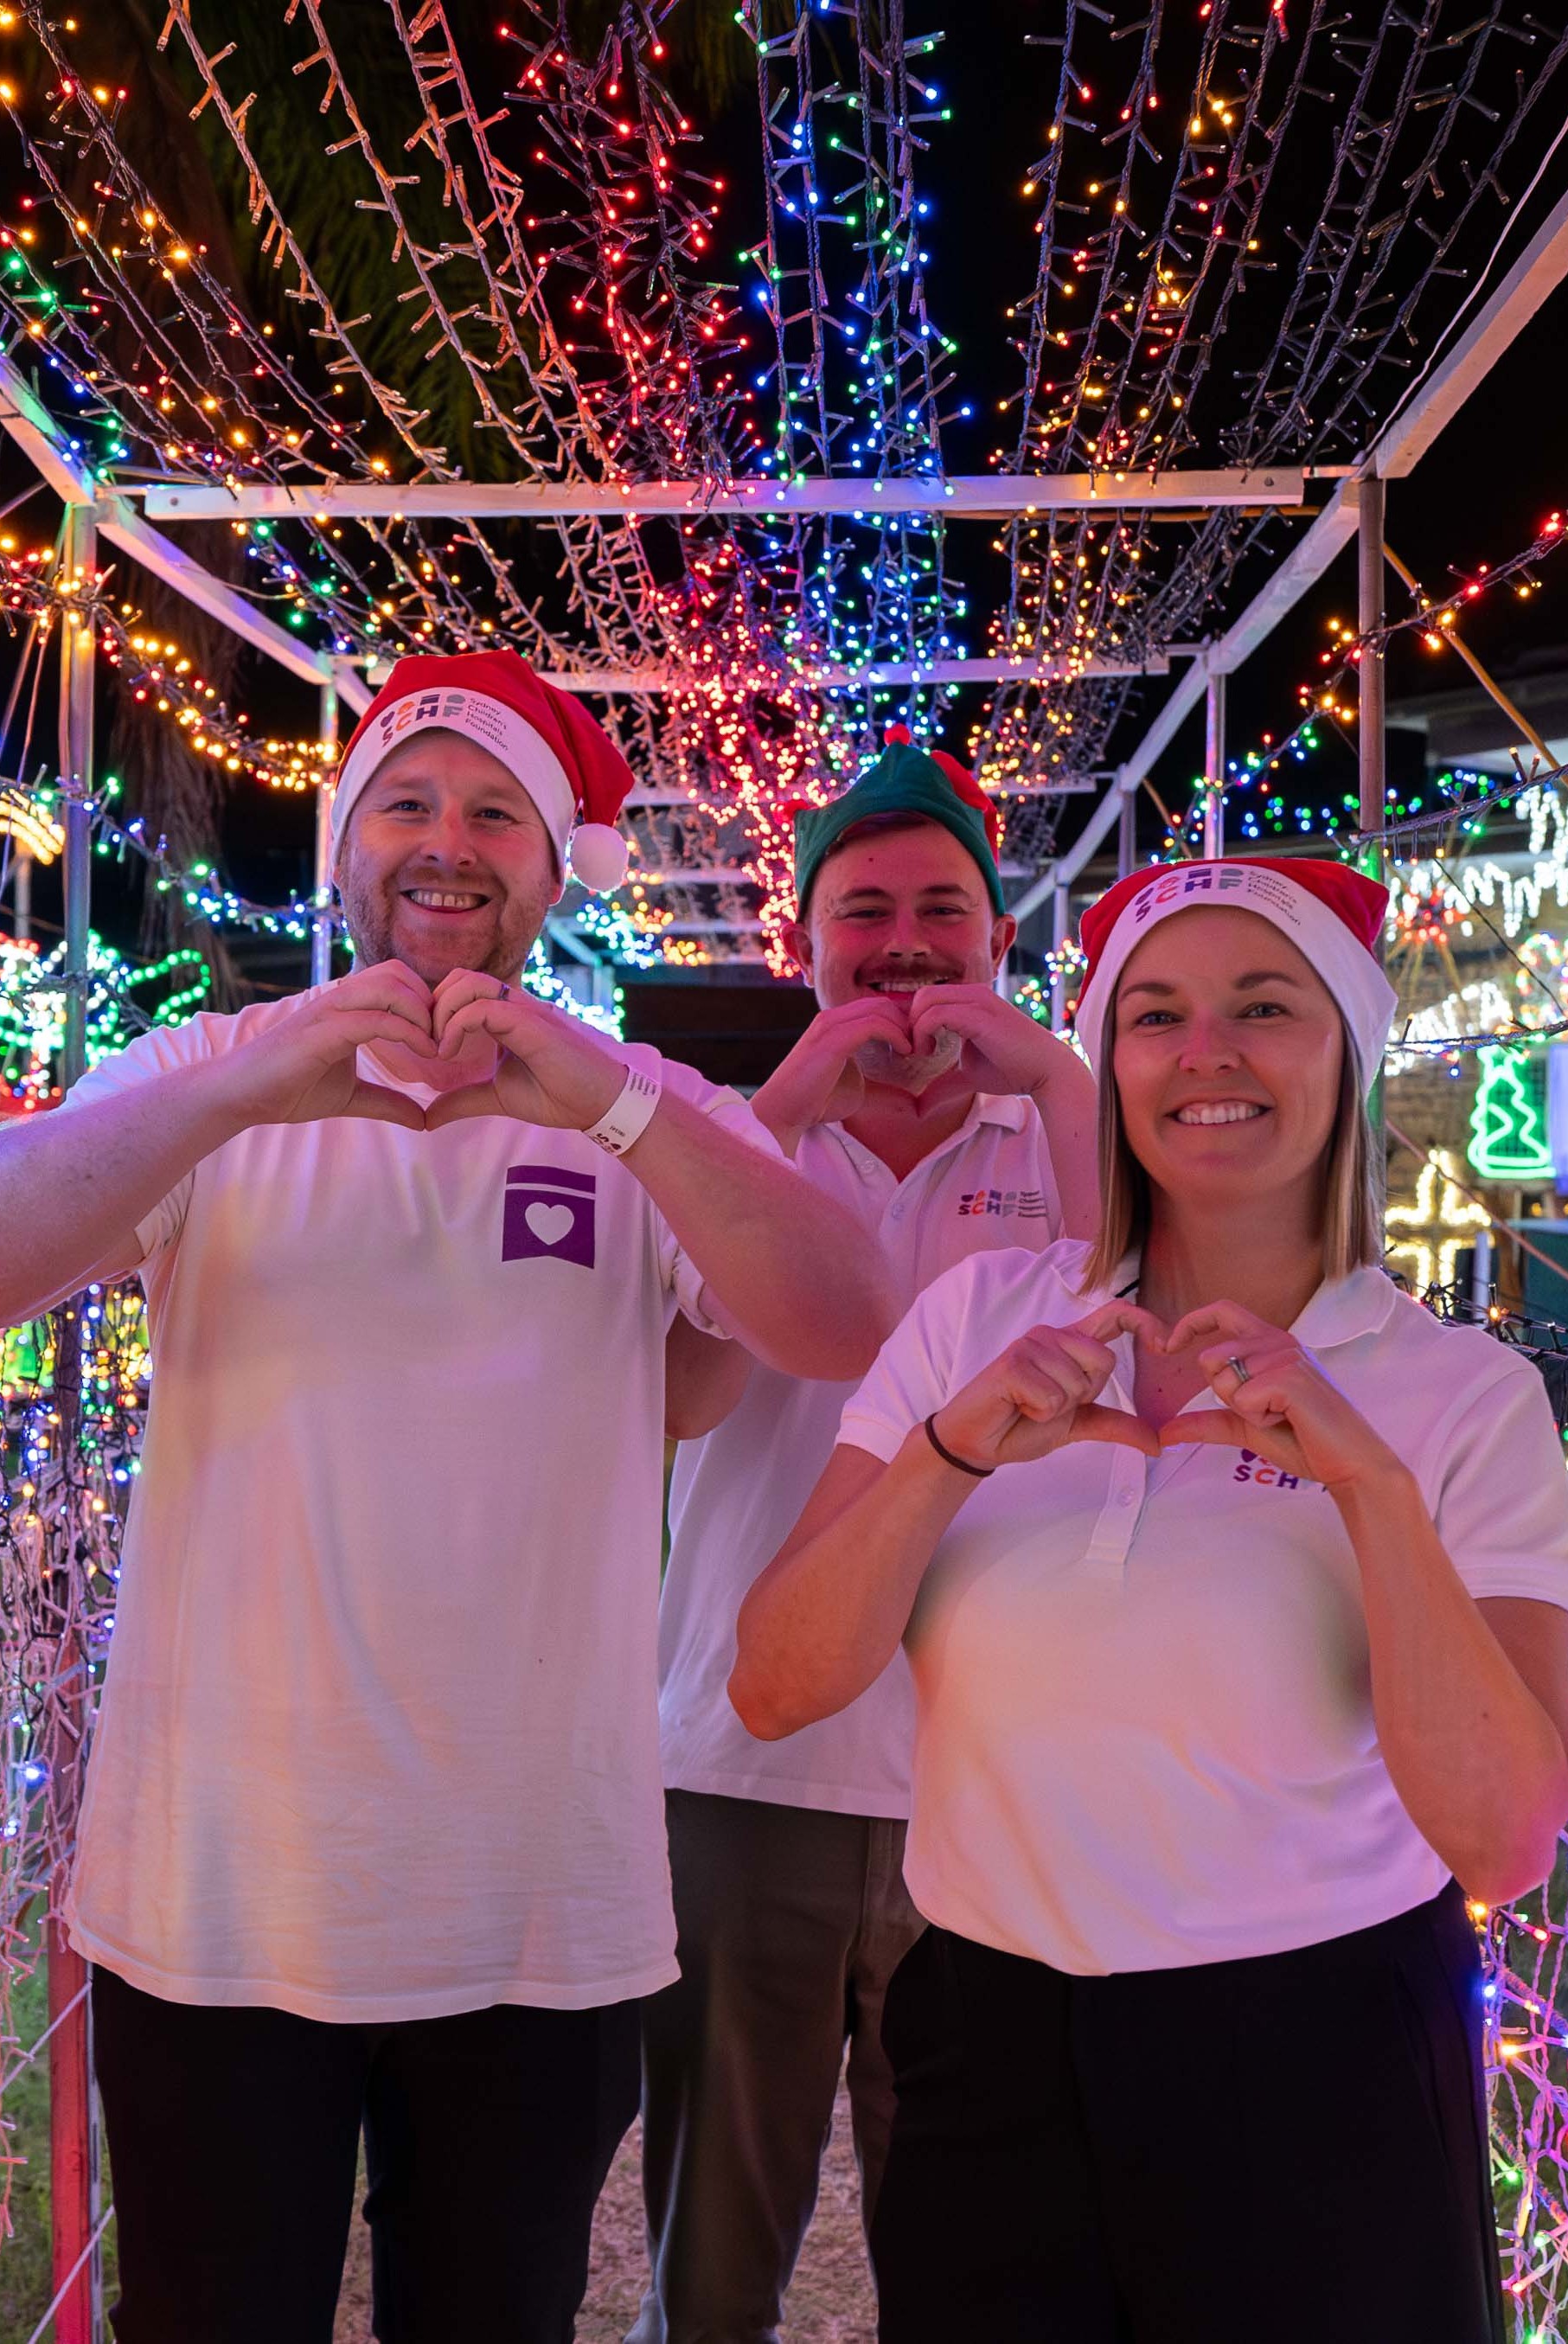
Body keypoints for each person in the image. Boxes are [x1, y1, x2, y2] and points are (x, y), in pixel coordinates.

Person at [0, 650, 896, 2344]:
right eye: (408, 802)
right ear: (348, 847)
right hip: (218, 1902)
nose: (448, 840)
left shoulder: (636, 1111)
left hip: (536, 1909)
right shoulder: (212, 1069)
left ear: (553, 867)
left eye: (496, 811)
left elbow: (848, 1316)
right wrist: (248, 1087)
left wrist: (613, 1098)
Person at [732, 855, 1568, 2344]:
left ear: (1349, 1048)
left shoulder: (1462, 1393)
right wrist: (947, 1451)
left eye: (1265, 1006)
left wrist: (1369, 1485)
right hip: (987, 2048)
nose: (1207, 1053)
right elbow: (774, 1684)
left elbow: (1502, 1839)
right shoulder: (977, 1322)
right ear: (1108, 1060)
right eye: (1156, 1015)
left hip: (1317, 2063)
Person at [634, 728, 1098, 2344]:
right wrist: (773, 1120)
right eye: (866, 911)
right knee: (709, 2262)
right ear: (807, 943)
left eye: (942, 911)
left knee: (972, 2262)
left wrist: (1055, 1078)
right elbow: (665, 1389)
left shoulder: (1067, 1137)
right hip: (739, 1753)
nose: (905, 946)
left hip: (990, 1767)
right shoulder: (730, 1133)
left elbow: (1136, 1317)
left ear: (999, 938)